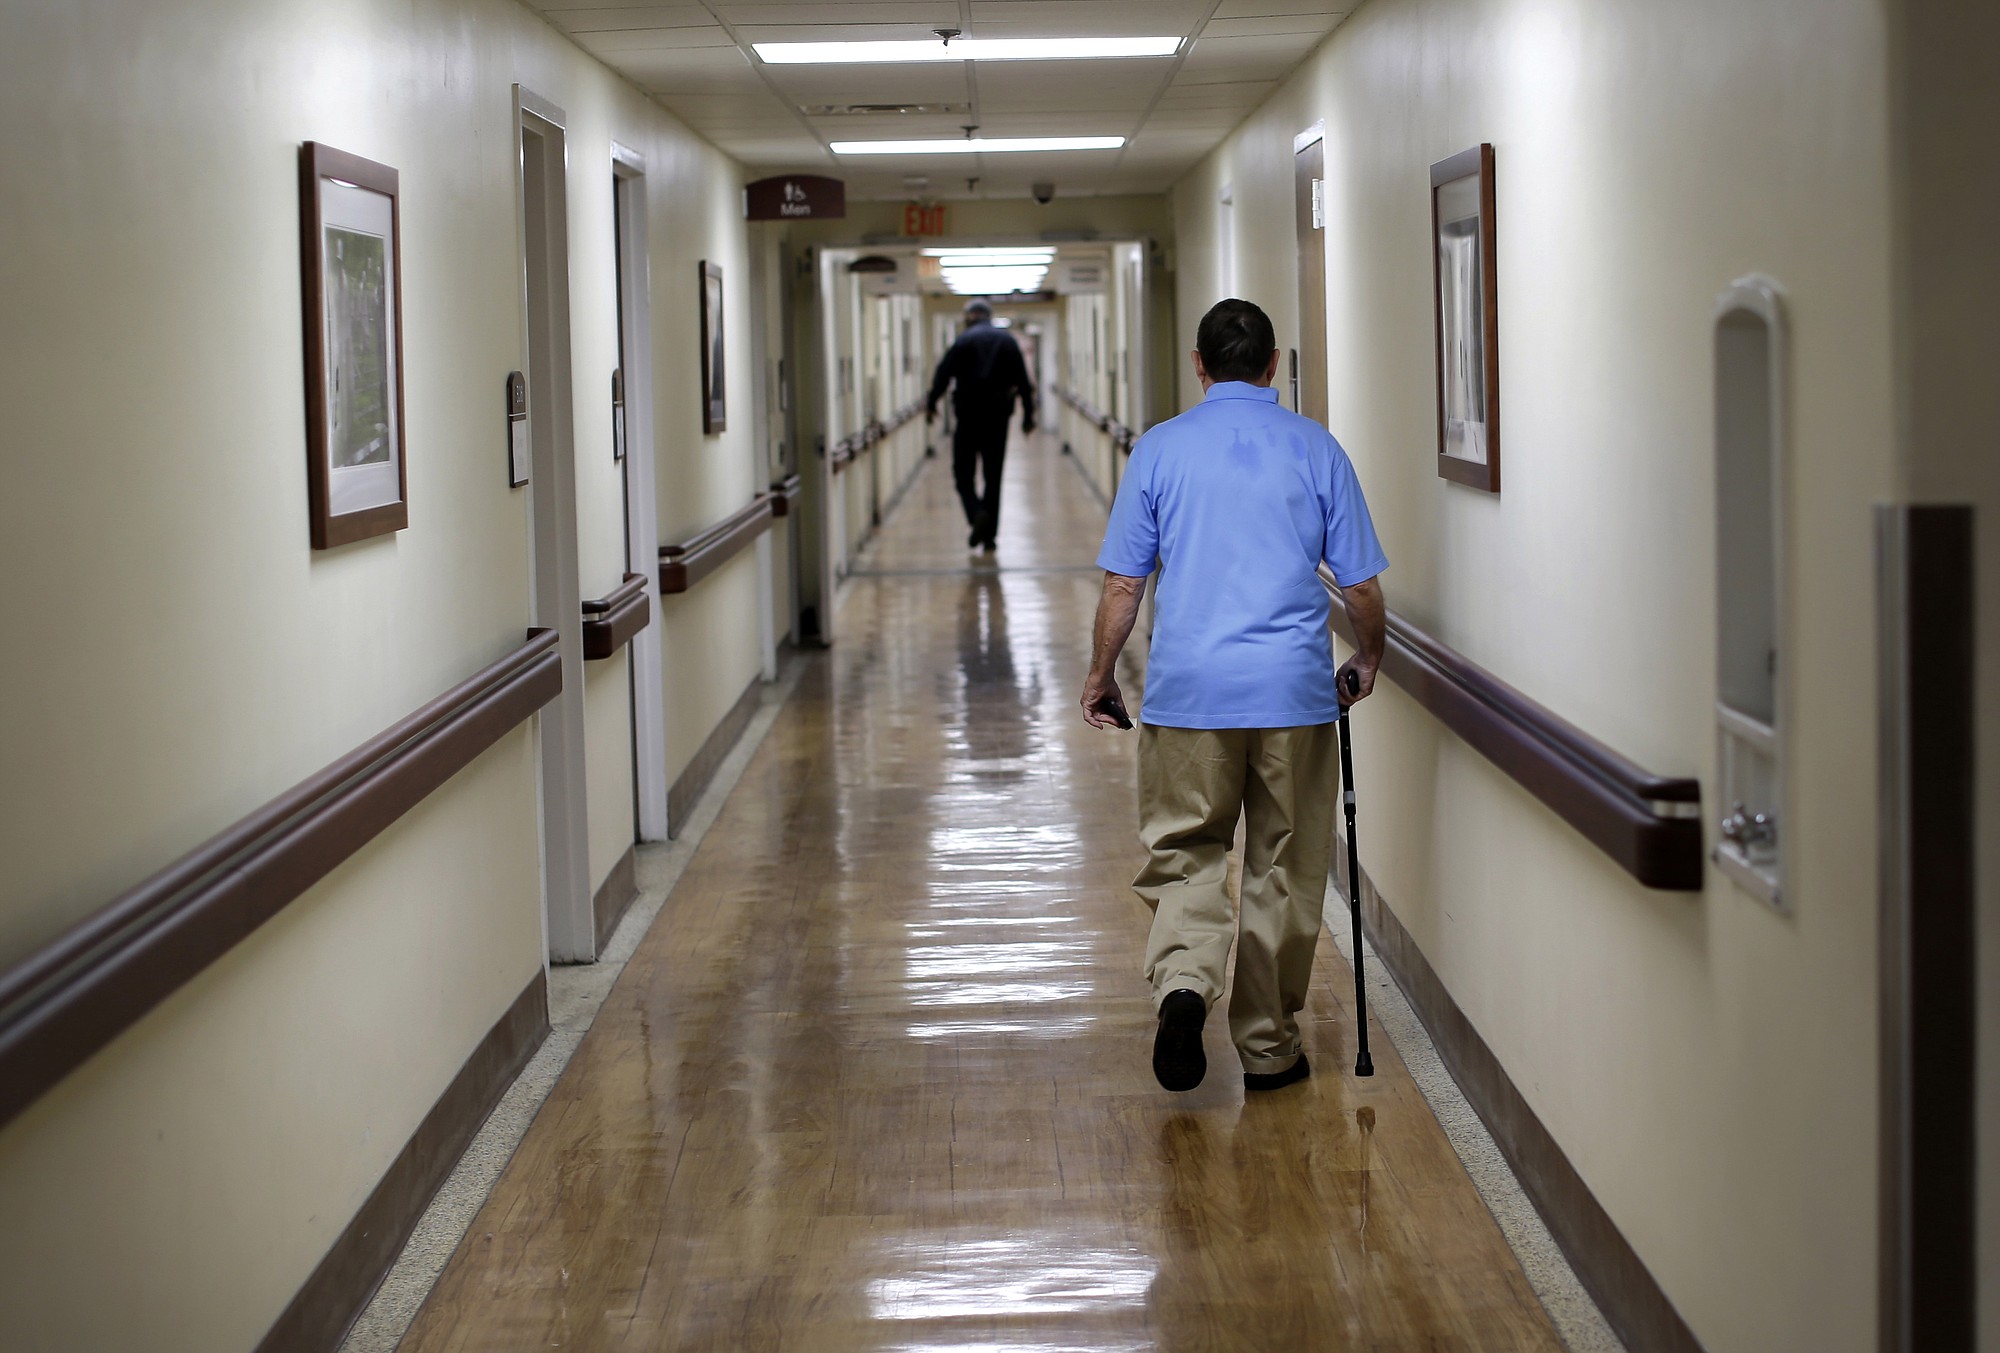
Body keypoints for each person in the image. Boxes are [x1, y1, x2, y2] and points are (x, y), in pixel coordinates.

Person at [1079, 298, 1389, 1094]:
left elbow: (1124, 583)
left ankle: (1185, 987)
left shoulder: (1160, 451)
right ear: (1275, 364)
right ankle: (1269, 1046)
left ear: (1199, 364)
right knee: (1284, 865)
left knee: (1188, 852)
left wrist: (1100, 674)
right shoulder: (1316, 449)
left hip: (1188, 698)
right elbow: (1359, 584)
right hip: (1293, 696)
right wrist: (1368, 656)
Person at [926, 299, 1037, 552]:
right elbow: (1022, 380)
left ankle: (976, 514)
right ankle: (989, 537)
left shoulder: (963, 341)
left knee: (962, 474)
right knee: (993, 476)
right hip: (998, 419)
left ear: (970, 316)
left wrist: (932, 402)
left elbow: (943, 373)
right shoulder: (1007, 341)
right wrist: (1028, 416)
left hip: (967, 417)